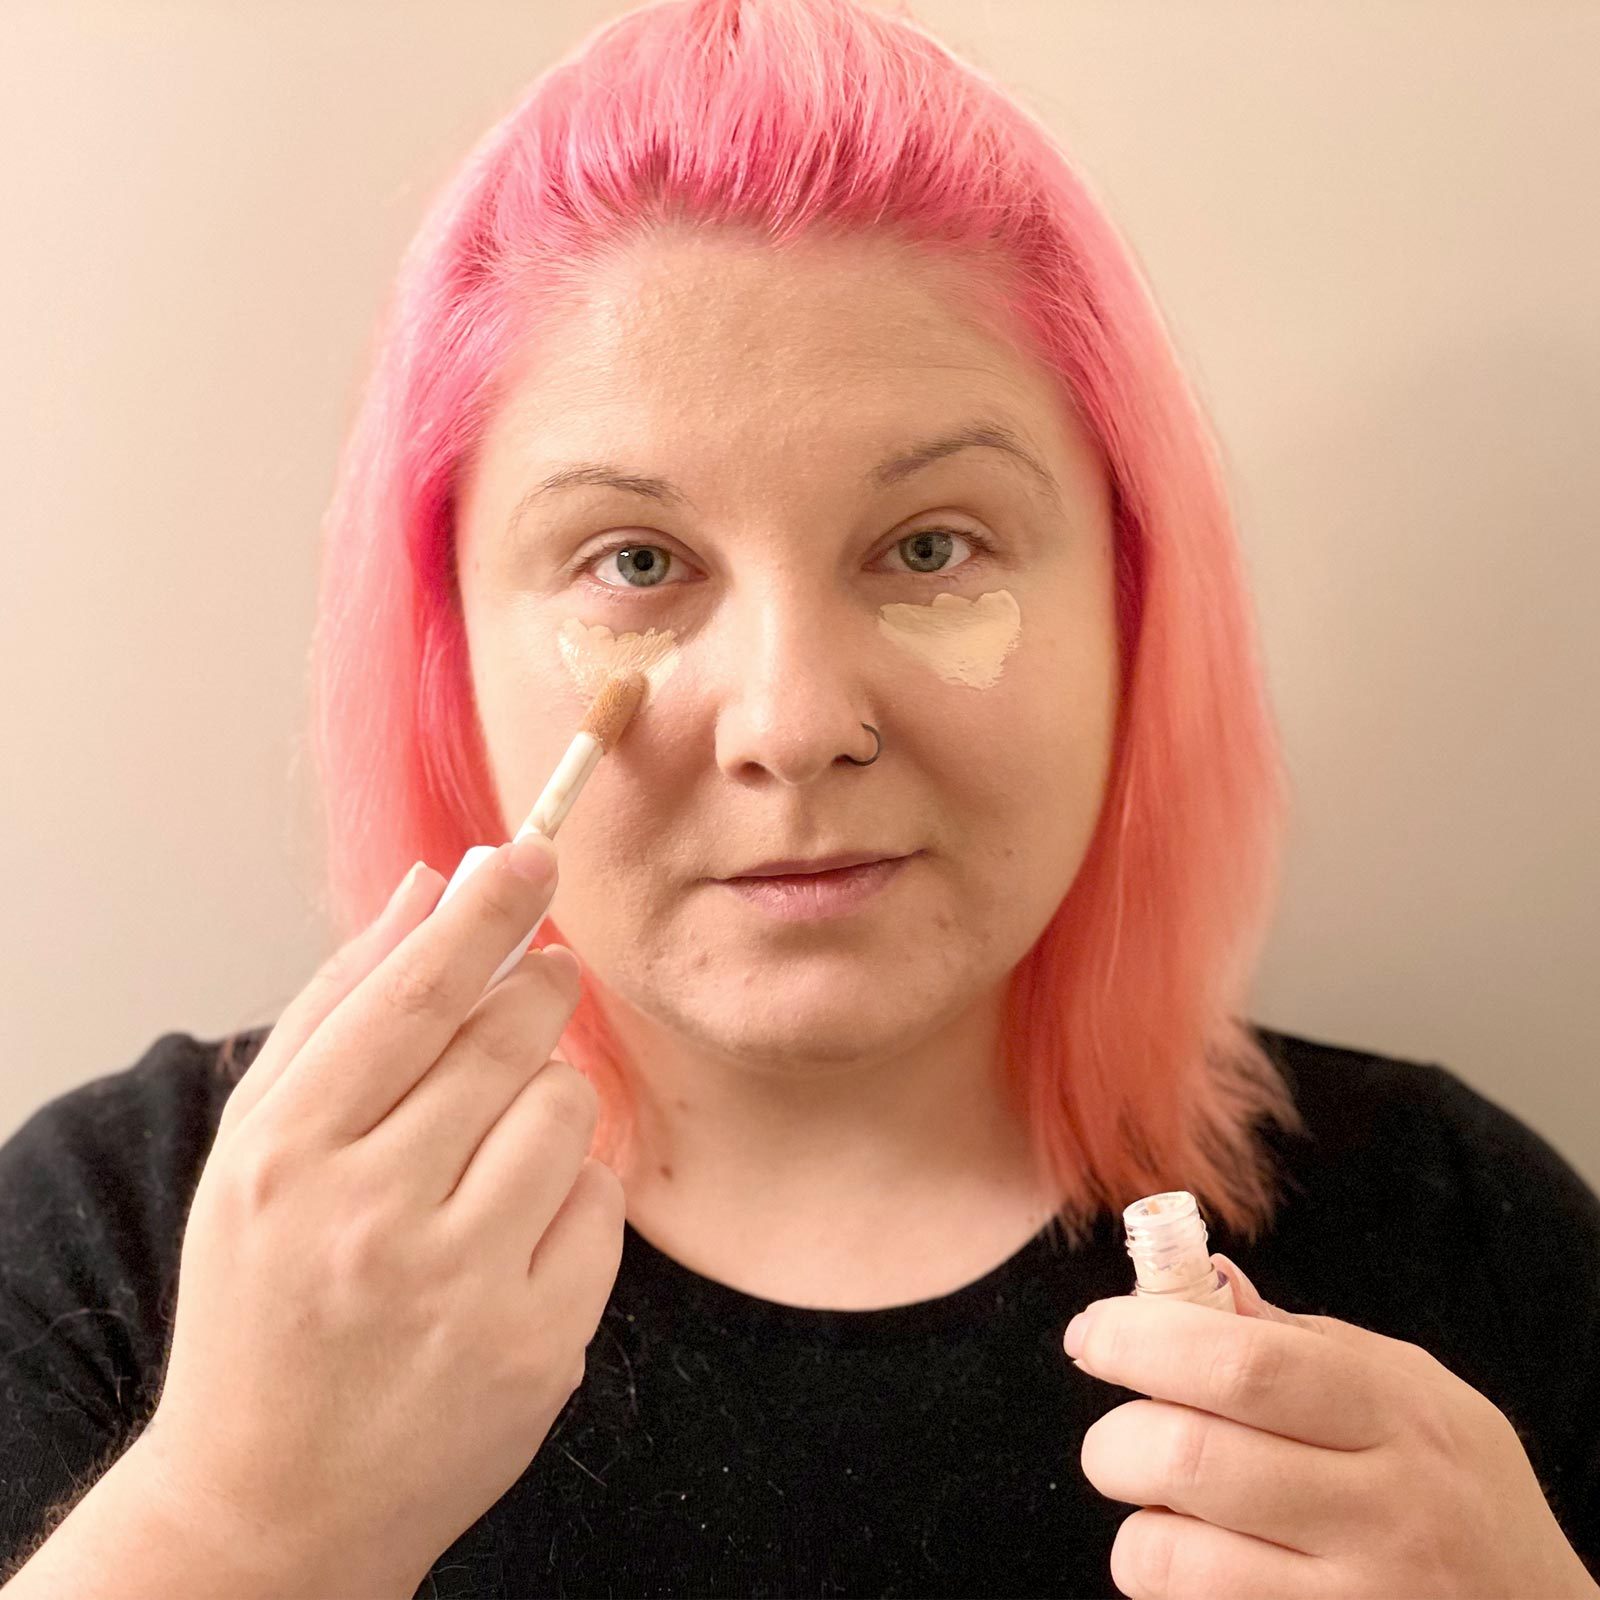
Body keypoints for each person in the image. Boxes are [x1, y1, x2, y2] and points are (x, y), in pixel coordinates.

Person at [2, 0, 1596, 1595]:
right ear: (447, 638)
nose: (793, 722)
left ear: (1126, 597)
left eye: (930, 548)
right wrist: (236, 1526)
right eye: (635, 561)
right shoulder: (124, 1246)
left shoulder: (1461, 1243)